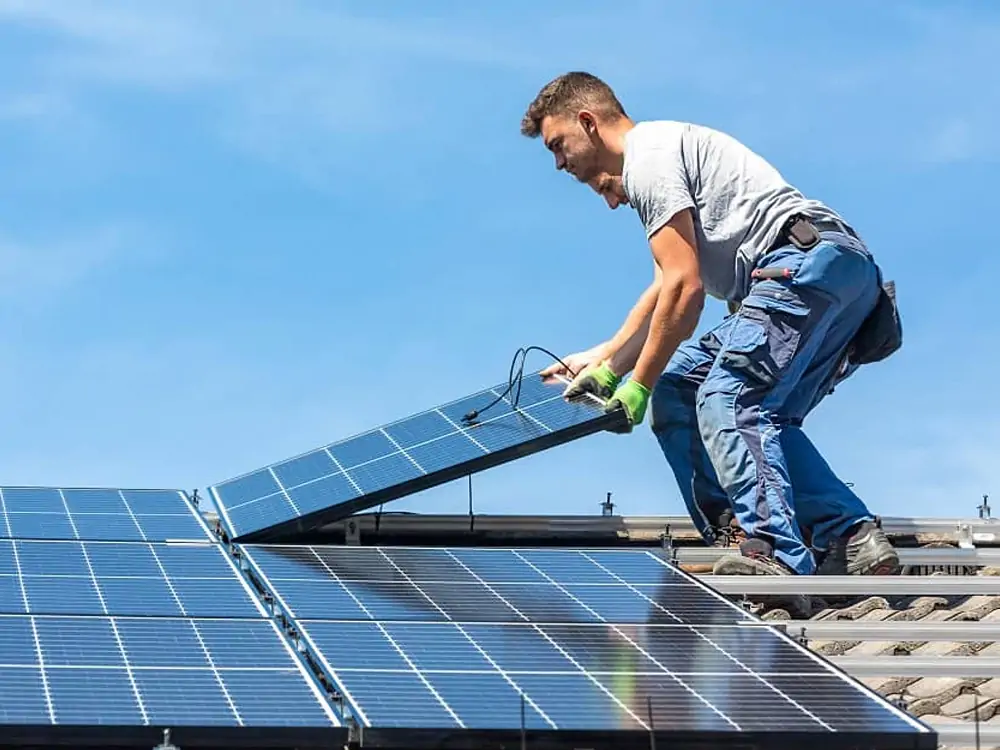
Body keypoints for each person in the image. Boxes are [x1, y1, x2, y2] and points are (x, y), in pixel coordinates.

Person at [521, 71, 902, 578]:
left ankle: (769, 552)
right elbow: (665, 287)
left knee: (728, 398)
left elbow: (686, 292)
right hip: (835, 274)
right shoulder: (665, 153)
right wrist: (607, 357)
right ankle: (850, 536)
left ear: (587, 122)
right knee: (686, 391)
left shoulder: (647, 158)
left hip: (796, 268)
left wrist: (636, 385)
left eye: (558, 145)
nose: (559, 163)